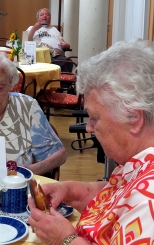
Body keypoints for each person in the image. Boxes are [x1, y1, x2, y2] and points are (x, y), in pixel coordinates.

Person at [28, 39, 154, 244]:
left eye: (95, 118)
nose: (88, 127)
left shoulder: (149, 201)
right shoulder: (138, 160)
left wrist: (65, 239)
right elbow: (116, 197)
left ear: (134, 119)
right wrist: (69, 191)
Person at [27, 8, 73, 72]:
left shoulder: (54, 29)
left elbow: (63, 42)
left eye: (47, 15)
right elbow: (26, 41)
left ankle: (61, 81)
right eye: (42, 15)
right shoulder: (32, 28)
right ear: (38, 18)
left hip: (57, 56)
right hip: (41, 56)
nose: (44, 16)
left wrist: (67, 45)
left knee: (68, 62)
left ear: (50, 18)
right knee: (67, 62)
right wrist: (34, 28)